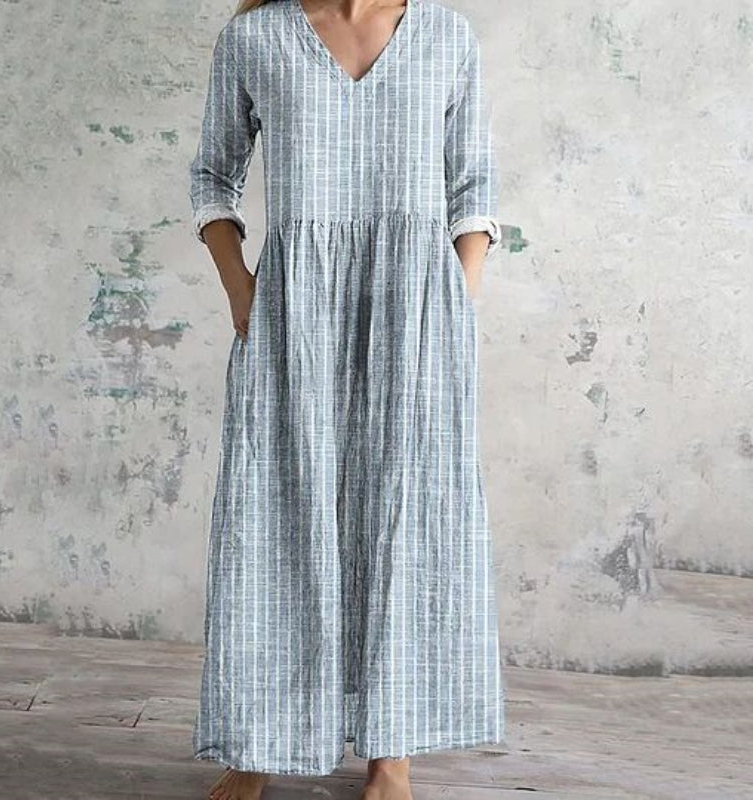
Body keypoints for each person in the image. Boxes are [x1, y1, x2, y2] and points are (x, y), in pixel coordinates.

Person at [188, 1, 505, 798]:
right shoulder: (256, 38)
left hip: (417, 314)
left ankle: (392, 752)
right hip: (295, 309)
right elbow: (212, 176)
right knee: (278, 514)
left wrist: (454, 301)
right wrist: (241, 290)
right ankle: (256, 745)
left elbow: (473, 184)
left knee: (405, 517)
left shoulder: (445, 35)